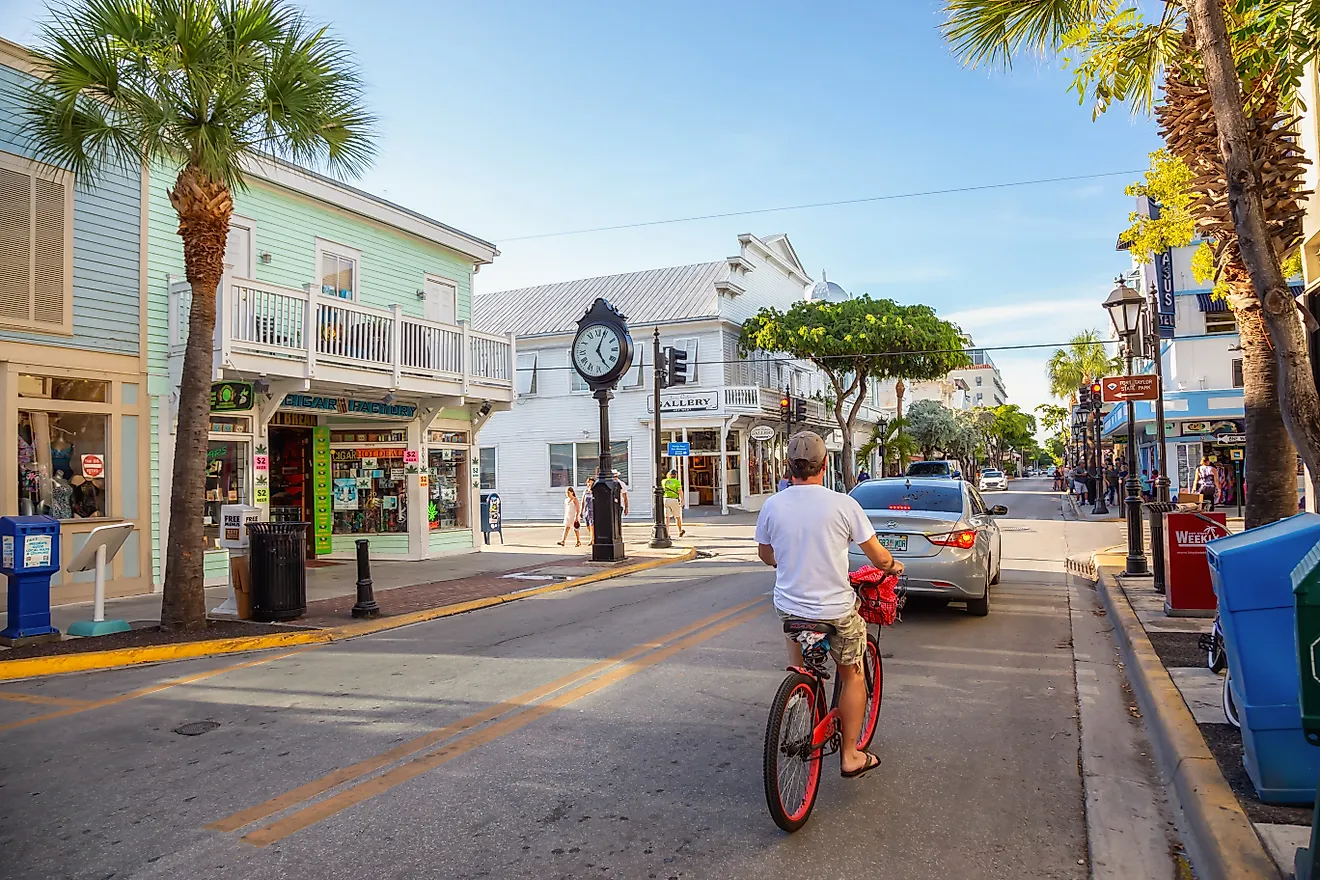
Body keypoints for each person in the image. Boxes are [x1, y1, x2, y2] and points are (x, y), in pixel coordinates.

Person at [755, 431, 903, 780]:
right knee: (852, 672)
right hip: (834, 610)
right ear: (825, 466)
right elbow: (878, 556)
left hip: (790, 608)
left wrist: (789, 561)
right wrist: (891, 566)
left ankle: (799, 692)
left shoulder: (773, 505)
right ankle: (851, 755)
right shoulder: (843, 505)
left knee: (798, 648)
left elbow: (766, 554)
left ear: (789, 467)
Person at [662, 469, 685, 537]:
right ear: (676, 475)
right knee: (677, 516)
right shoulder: (677, 482)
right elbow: (680, 491)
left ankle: (667, 532)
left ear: (669, 474)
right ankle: (680, 531)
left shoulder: (664, 481)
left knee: (667, 517)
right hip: (674, 499)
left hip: (666, 499)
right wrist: (682, 500)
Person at [581, 476, 595, 543]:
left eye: (591, 483)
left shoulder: (594, 491)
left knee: (592, 524)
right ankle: (593, 536)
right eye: (589, 483)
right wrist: (581, 511)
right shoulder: (585, 492)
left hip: (592, 510)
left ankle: (592, 540)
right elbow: (582, 502)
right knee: (587, 525)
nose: (590, 484)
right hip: (586, 510)